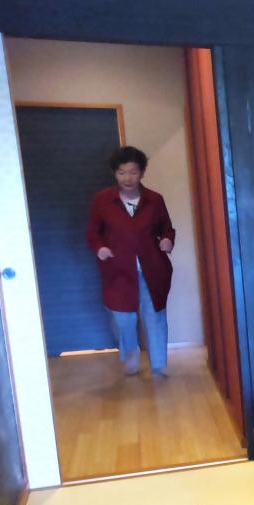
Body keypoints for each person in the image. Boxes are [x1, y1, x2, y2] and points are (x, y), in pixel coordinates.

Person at [86, 146, 176, 377]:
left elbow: (167, 228)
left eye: (133, 172)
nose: (127, 178)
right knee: (122, 319)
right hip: (118, 270)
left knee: (154, 316)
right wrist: (100, 248)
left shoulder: (154, 200)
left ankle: (158, 365)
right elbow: (93, 232)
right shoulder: (103, 200)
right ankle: (130, 355)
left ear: (142, 172)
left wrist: (167, 240)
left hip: (152, 269)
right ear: (115, 173)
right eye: (121, 172)